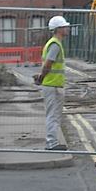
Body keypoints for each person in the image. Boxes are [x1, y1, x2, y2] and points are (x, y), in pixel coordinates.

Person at [34, 15, 70, 150]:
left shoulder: (54, 43)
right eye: (65, 27)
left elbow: (49, 65)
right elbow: (48, 64)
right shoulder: (55, 44)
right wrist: (42, 77)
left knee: (54, 114)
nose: (67, 28)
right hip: (52, 85)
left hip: (53, 84)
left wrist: (41, 76)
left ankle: (52, 141)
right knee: (53, 115)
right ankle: (51, 143)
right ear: (58, 29)